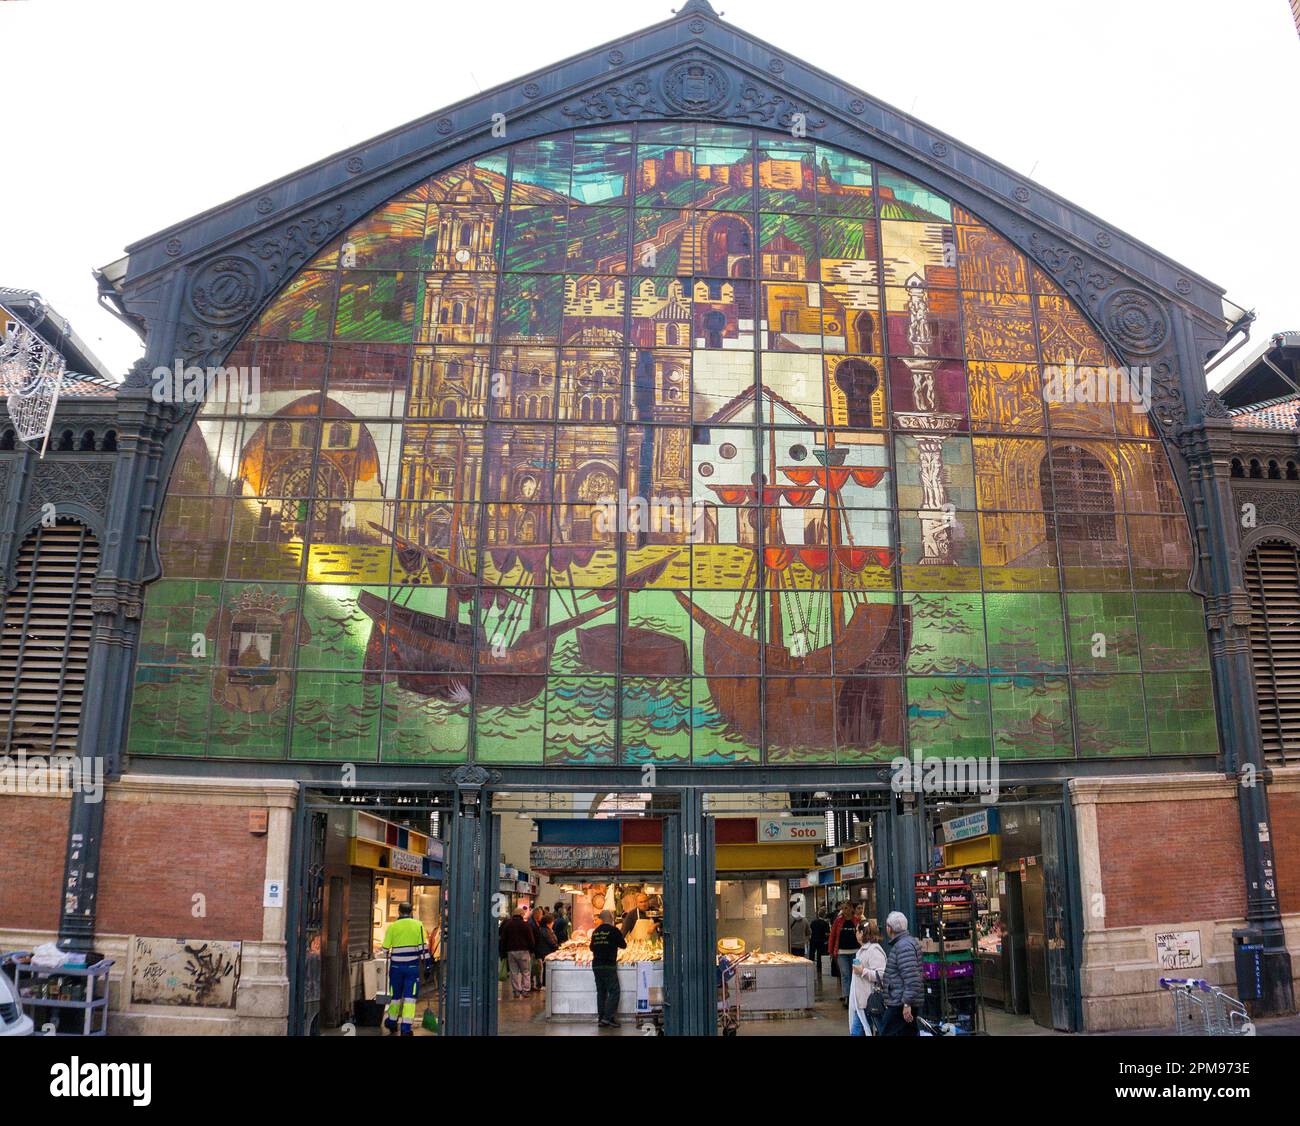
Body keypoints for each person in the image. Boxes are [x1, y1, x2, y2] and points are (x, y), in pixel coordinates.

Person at [380, 901, 427, 1036]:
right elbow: (423, 948)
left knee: (395, 997)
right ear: (411, 911)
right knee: (410, 998)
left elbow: (384, 949)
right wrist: (428, 965)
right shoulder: (418, 925)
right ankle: (406, 1028)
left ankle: (392, 1021)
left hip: (396, 968)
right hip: (412, 968)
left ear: (399, 912)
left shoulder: (393, 927)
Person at [879, 910, 924, 1036]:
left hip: (899, 1002)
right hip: (902, 1001)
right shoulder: (906, 943)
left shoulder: (903, 946)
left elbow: (912, 978)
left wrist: (906, 1003)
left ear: (890, 928)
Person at [848, 919, 887, 1036]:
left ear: (862, 933)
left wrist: (862, 971)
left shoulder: (874, 950)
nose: (855, 934)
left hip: (869, 1002)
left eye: (857, 931)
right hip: (862, 1003)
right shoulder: (863, 950)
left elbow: (881, 973)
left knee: (858, 1032)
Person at [589, 909, 627, 1027]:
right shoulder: (614, 930)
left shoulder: (596, 931)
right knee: (614, 991)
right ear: (611, 919)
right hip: (608, 965)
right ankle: (608, 1018)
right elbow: (623, 945)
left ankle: (601, 1018)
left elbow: (591, 947)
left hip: (596, 965)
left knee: (601, 992)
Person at [499, 905, 535, 999]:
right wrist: (532, 950)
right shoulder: (526, 925)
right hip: (523, 951)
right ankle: (525, 990)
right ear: (521, 914)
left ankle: (516, 991)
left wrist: (502, 953)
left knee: (513, 972)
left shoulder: (508, 925)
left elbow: (503, 940)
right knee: (526, 971)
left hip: (511, 951)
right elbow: (530, 939)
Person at [830, 900, 860, 1007]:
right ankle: (847, 997)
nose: (844, 911)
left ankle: (854, 997)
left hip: (856, 952)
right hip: (841, 953)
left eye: (846, 908)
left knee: (854, 975)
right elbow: (832, 936)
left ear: (852, 908)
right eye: (842, 908)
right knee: (845, 974)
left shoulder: (857, 921)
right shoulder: (838, 921)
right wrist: (831, 951)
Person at [535, 912, 559, 987]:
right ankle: (545, 985)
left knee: (545, 969)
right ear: (548, 923)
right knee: (546, 969)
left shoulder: (545, 929)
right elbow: (551, 942)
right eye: (552, 922)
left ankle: (544, 984)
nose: (553, 923)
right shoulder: (545, 931)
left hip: (545, 952)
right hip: (546, 952)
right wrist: (558, 947)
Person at [809, 910, 830, 977]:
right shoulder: (825, 923)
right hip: (821, 941)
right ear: (824, 915)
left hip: (813, 940)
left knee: (812, 953)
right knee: (819, 954)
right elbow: (827, 933)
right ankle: (819, 967)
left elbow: (810, 931)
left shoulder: (813, 922)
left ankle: (810, 965)